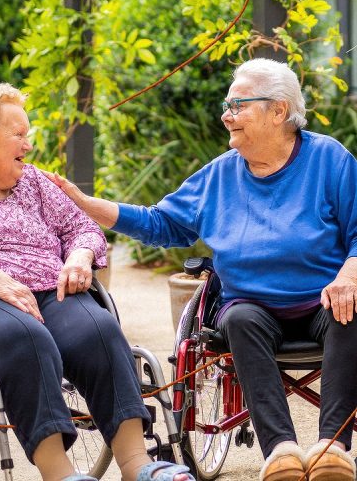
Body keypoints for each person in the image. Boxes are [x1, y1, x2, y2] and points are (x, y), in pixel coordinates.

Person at [45, 58, 357, 481]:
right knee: (242, 318)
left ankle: (332, 449)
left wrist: (350, 271)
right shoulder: (219, 176)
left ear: (279, 111)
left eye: (238, 105)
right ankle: (280, 449)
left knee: (351, 313)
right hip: (251, 305)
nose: (226, 115)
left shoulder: (329, 160)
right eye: (227, 105)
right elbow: (162, 223)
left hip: (324, 298)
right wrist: (86, 204)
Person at [0, 82, 194, 481]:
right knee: (24, 337)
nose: (28, 145)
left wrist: (80, 257)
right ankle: (59, 472)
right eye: (18, 134)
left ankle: (139, 465)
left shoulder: (34, 183)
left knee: (99, 331)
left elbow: (83, 228)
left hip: (48, 288)